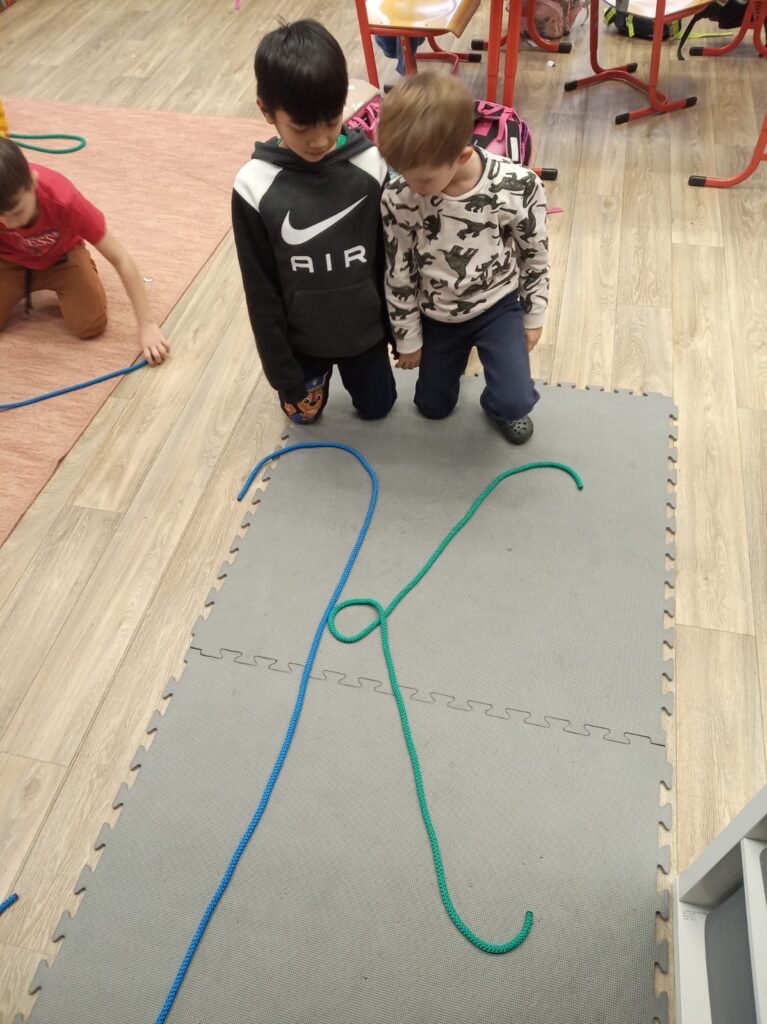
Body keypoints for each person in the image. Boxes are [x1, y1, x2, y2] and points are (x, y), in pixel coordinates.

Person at [231, 18, 396, 424]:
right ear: (266, 111)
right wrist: (282, 373)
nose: (320, 139)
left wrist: (398, 331)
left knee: (380, 409)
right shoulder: (253, 186)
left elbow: (392, 259)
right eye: (302, 128)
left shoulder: (372, 165)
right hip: (302, 345)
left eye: (332, 120)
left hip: (364, 335)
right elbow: (260, 290)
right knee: (302, 418)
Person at [376, 72, 549, 444]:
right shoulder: (399, 195)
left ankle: (498, 401)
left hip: (498, 305)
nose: (411, 185)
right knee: (432, 407)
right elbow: (398, 270)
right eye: (401, 173)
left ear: (462, 155)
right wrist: (408, 338)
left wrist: (534, 314)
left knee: (515, 401)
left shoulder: (517, 185)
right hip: (438, 313)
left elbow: (534, 254)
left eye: (422, 180)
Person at [0, 137, 169, 365]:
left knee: (89, 325)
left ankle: (83, 269)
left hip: (61, 256)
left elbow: (121, 258)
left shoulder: (64, 200)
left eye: (17, 212)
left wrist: (147, 325)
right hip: (9, 261)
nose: (9, 224)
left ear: (33, 182)